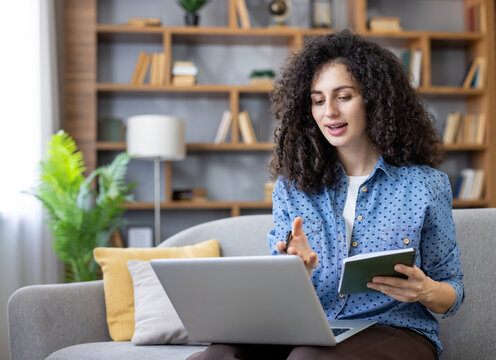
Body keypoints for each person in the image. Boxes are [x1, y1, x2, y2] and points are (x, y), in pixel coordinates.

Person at [188, 29, 464, 360]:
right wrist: (294, 272)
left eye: (343, 97)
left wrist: (426, 290)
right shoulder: (292, 188)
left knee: (310, 358)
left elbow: (453, 290)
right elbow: (277, 287)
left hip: (394, 329)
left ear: (375, 99)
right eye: (318, 100)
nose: (329, 112)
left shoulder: (424, 186)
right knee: (216, 356)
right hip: (309, 328)